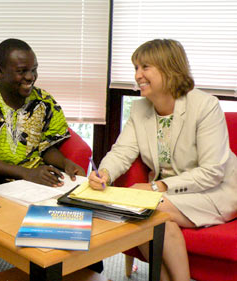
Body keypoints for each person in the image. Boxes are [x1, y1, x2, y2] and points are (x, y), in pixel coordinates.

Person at [89, 39, 237, 281]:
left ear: (169, 69)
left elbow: (212, 172)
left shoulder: (205, 106)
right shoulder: (139, 110)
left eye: (145, 67)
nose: (137, 75)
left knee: (142, 209)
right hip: (168, 196)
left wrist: (157, 187)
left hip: (217, 190)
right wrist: (104, 172)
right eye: (135, 68)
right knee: (156, 222)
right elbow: (122, 151)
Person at [0, 38, 103, 280]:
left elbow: (47, 148)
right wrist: (27, 174)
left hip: (33, 174)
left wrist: (66, 164)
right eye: (22, 71)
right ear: (0, 71)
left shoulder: (44, 102)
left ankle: (85, 268)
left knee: (75, 192)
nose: (30, 77)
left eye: (34, 69)